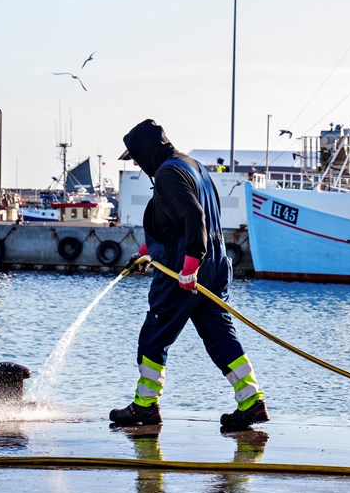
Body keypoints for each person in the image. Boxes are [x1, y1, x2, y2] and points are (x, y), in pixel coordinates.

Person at [110, 119, 269, 431]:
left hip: (183, 272)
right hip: (216, 266)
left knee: (155, 334)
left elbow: (194, 217)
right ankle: (251, 401)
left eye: (137, 158)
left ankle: (145, 404)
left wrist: (188, 268)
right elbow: (180, 220)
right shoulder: (191, 165)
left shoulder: (168, 173)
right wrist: (148, 251)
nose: (138, 166)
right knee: (218, 335)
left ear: (146, 152)